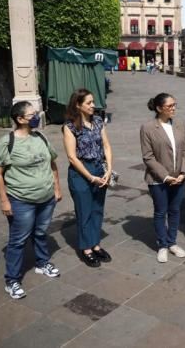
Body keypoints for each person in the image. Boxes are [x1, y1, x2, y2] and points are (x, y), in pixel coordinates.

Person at [0, 102, 62, 300]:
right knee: (18, 240)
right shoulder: (7, 142)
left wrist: (56, 188)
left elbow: (52, 162)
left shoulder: (40, 136)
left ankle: (42, 263)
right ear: (20, 119)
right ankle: (12, 280)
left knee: (40, 233)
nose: (37, 116)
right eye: (32, 114)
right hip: (21, 200)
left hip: (46, 198)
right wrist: (4, 201)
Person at [63, 88, 114, 267]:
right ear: (78, 105)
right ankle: (86, 249)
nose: (93, 105)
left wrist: (108, 170)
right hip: (81, 172)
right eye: (89, 103)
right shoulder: (70, 127)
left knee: (97, 209)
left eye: (93, 102)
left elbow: (107, 146)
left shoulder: (98, 121)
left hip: (99, 168)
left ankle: (96, 244)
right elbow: (71, 157)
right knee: (84, 211)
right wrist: (90, 176)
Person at [140, 93, 185, 263]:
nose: (173, 108)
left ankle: (172, 242)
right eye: (170, 106)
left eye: (174, 105)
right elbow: (148, 157)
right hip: (158, 179)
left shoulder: (180, 124)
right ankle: (162, 245)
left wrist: (183, 172)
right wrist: (166, 176)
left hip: (179, 177)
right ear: (159, 108)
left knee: (175, 210)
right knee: (161, 211)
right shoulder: (148, 128)